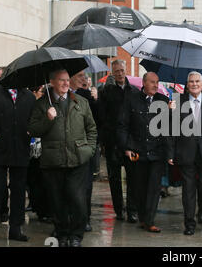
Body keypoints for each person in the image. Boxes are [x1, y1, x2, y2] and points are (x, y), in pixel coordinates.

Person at [28, 69, 97, 247]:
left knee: (77, 199)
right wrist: (47, 118)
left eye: (67, 80)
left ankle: (76, 235)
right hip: (53, 160)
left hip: (78, 159)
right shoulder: (43, 104)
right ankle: (62, 232)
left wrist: (88, 150)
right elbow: (33, 130)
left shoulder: (81, 102)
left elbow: (91, 129)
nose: (66, 83)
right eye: (61, 80)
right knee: (57, 200)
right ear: (52, 82)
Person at [0, 72, 36, 242]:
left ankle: (16, 228)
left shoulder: (29, 96)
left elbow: (34, 119)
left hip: (21, 149)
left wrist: (31, 131)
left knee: (18, 191)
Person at [166, 71, 202, 236]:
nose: (194, 84)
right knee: (188, 191)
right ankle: (189, 223)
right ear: (187, 84)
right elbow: (171, 130)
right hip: (186, 153)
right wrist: (170, 152)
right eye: (191, 81)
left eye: (197, 81)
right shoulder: (178, 101)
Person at [116, 72, 169, 233]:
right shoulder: (131, 100)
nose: (155, 85)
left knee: (154, 187)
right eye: (152, 82)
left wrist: (172, 111)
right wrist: (126, 147)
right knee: (139, 187)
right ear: (144, 83)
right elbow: (122, 125)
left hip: (157, 152)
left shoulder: (164, 101)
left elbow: (171, 127)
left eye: (157, 82)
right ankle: (143, 217)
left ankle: (149, 221)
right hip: (138, 151)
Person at [98, 60, 138, 222]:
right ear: (112, 73)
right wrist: (104, 140)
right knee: (114, 179)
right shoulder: (106, 92)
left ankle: (132, 211)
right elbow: (101, 117)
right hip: (112, 142)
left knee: (133, 178)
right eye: (116, 71)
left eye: (122, 70)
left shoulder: (134, 91)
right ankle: (118, 210)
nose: (120, 74)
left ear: (126, 70)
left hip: (131, 143)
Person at [69, 70, 97, 232]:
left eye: (85, 76)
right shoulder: (58, 96)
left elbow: (96, 124)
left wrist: (96, 100)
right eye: (80, 76)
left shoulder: (87, 97)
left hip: (84, 150)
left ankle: (85, 218)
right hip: (67, 150)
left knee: (85, 187)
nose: (84, 79)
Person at [26, 85, 51, 223]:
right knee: (35, 181)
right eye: (41, 91)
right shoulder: (34, 105)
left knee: (44, 182)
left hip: (46, 150)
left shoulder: (51, 105)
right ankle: (38, 207)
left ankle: (45, 210)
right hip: (33, 151)